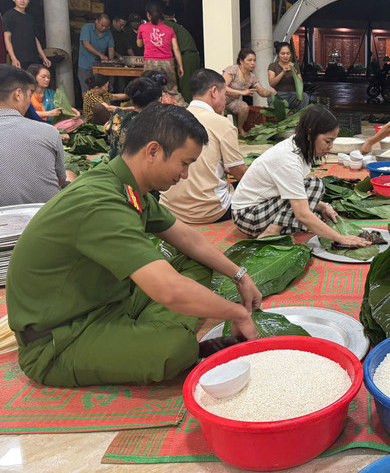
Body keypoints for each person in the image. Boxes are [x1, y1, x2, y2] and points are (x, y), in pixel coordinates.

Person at [7, 103, 262, 387]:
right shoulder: (100, 202)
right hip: (60, 339)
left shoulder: (124, 184)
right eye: (185, 163)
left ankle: (148, 330)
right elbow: (168, 289)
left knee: (195, 260)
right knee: (175, 350)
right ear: (153, 151)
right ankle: (160, 333)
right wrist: (237, 312)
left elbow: (188, 238)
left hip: (110, 301)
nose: (186, 174)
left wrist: (239, 275)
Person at [231, 105, 371, 246]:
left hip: (264, 207)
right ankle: (271, 232)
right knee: (313, 187)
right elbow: (302, 213)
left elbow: (296, 192)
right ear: (310, 135)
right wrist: (340, 238)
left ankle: (280, 228)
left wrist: (322, 206)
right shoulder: (288, 160)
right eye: (328, 141)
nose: (331, 146)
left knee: (316, 215)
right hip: (248, 216)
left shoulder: (298, 145)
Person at [160, 69, 247, 224]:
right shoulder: (221, 123)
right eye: (224, 94)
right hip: (209, 211)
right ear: (214, 91)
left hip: (169, 208)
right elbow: (240, 173)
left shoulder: (172, 118)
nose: (225, 101)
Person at [0, 66, 70, 206]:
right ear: (18, 94)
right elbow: (60, 180)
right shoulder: (49, 132)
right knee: (71, 178)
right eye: (30, 94)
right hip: (44, 216)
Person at [136, 1, 184, 104]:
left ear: (148, 15)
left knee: (149, 87)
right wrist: (180, 66)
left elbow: (139, 44)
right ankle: (181, 107)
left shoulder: (142, 28)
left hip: (150, 62)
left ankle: (150, 109)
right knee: (171, 89)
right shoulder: (169, 29)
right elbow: (176, 49)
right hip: (167, 62)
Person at [104, 77, 163, 158]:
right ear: (156, 101)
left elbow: (106, 130)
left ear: (131, 100)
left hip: (114, 165)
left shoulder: (117, 116)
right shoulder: (154, 124)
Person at [224, 48, 277, 136]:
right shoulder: (233, 70)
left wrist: (269, 92)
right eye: (249, 60)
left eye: (254, 60)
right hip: (220, 99)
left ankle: (240, 128)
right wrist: (242, 93)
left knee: (245, 107)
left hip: (232, 102)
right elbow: (222, 87)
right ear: (241, 61)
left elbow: (262, 92)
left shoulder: (252, 77)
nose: (253, 63)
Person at [2, 0, 51, 72]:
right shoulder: (9, 15)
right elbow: (7, 38)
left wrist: (43, 57)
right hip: (19, 57)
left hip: (33, 57)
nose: (22, 1)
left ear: (28, 0)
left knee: (33, 82)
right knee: (21, 82)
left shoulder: (30, 18)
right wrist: (13, 58)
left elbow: (35, 38)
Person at [26, 64, 83, 132]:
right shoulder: (27, 94)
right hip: (34, 125)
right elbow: (27, 113)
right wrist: (49, 113)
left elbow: (63, 106)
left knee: (78, 121)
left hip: (51, 124)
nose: (47, 80)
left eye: (48, 77)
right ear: (34, 77)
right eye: (43, 77)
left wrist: (75, 111)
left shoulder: (52, 93)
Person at [162, 5, 201, 103]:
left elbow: (169, 45)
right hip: (192, 55)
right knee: (190, 84)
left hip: (186, 56)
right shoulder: (177, 26)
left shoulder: (167, 25)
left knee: (185, 85)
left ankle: (187, 109)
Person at [77, 13, 115, 94]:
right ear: (96, 21)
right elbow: (86, 44)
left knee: (100, 90)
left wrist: (111, 61)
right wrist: (101, 55)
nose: (104, 28)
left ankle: (100, 107)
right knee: (86, 91)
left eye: (106, 26)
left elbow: (111, 47)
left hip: (100, 66)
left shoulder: (108, 33)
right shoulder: (86, 28)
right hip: (85, 64)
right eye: (102, 25)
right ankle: (87, 107)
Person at [267, 41, 308, 110]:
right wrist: (283, 72)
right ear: (278, 54)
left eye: (288, 53)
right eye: (283, 54)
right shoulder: (273, 66)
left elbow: (300, 84)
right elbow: (272, 83)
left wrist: (294, 74)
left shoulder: (295, 66)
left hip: (292, 95)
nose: (285, 56)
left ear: (290, 54)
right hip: (278, 95)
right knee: (271, 97)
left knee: (304, 96)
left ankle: (298, 118)